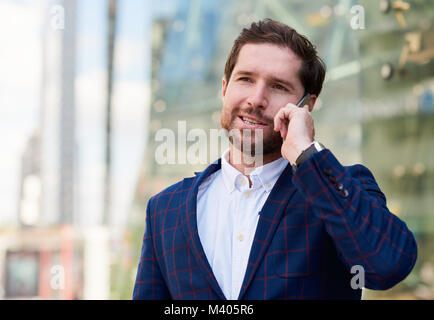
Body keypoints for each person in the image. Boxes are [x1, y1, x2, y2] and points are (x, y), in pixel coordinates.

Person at [133, 19, 417, 300]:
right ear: (224, 88)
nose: (256, 99)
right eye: (245, 79)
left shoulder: (339, 187)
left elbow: (387, 266)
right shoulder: (164, 209)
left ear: (307, 105)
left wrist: (307, 154)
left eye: (278, 86)